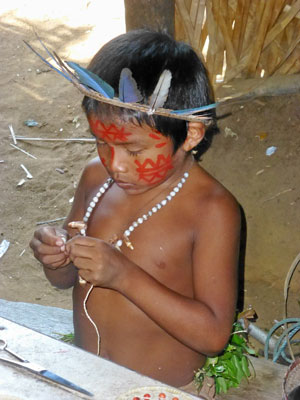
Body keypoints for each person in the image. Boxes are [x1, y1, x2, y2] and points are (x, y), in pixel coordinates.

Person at [30, 30, 240, 399]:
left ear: (190, 134)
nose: (116, 165)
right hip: (86, 378)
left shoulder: (211, 211)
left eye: (135, 151)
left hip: (164, 391)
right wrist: (55, 255)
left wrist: (123, 275)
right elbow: (63, 279)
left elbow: (213, 336)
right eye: (102, 142)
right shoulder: (95, 176)